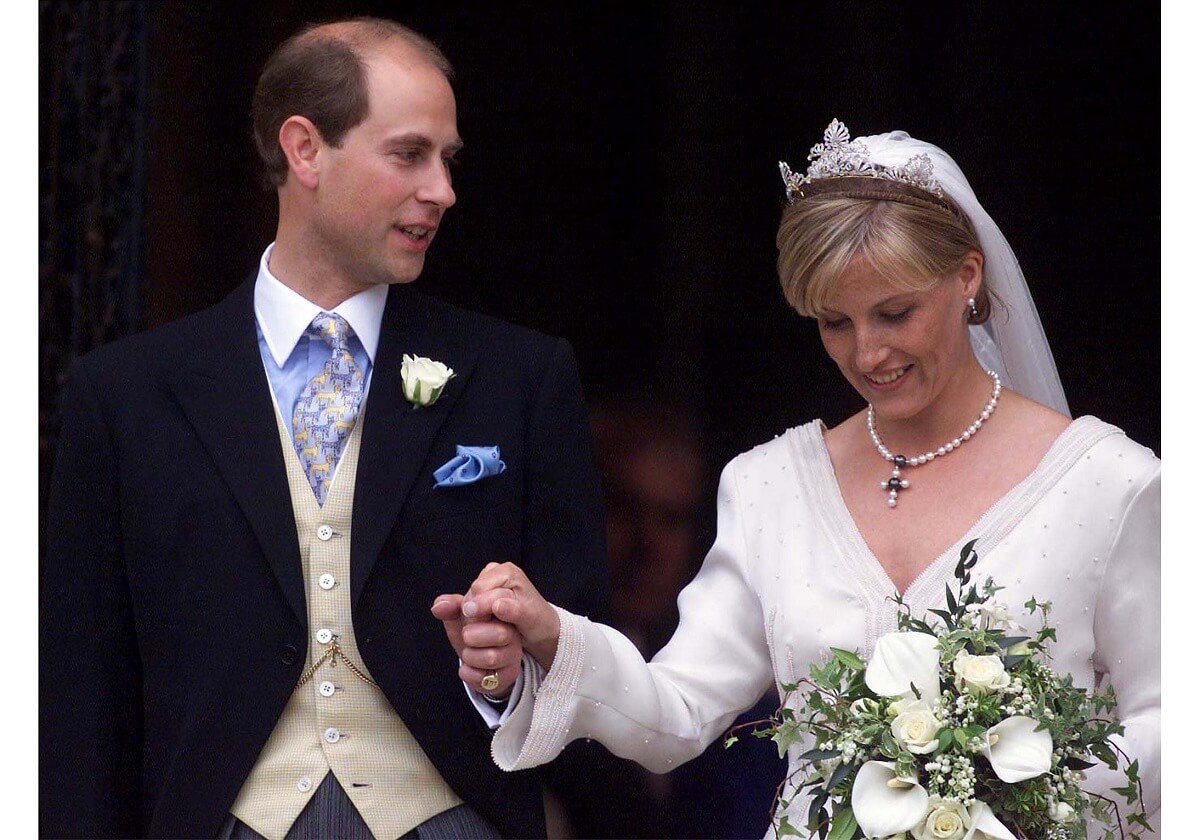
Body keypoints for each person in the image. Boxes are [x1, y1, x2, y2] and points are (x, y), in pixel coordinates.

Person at [437, 120, 1161, 836]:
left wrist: (1014, 790)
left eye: (895, 312)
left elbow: (1172, 720)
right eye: (834, 322)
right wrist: (553, 639)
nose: (868, 352)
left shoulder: (1108, 483)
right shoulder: (770, 487)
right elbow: (678, 709)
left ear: (968, 277)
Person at [41, 17, 643, 839]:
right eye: (409, 154)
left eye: (448, 159)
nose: (443, 189)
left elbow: (585, 651)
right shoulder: (128, 394)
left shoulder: (518, 376)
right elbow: (83, 690)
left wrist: (508, 675)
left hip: (449, 817)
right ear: (303, 150)